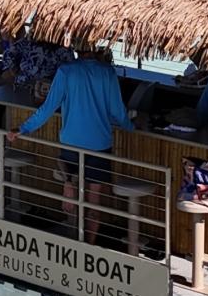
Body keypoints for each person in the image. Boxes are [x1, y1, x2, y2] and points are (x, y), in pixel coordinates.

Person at [8, 47, 133, 244]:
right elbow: (118, 111)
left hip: (72, 143)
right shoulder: (107, 72)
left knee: (73, 200)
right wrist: (132, 126)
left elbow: (48, 108)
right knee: (94, 201)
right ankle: (88, 246)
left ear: (76, 48)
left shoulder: (66, 71)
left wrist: (23, 128)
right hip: (99, 144)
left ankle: (69, 187)